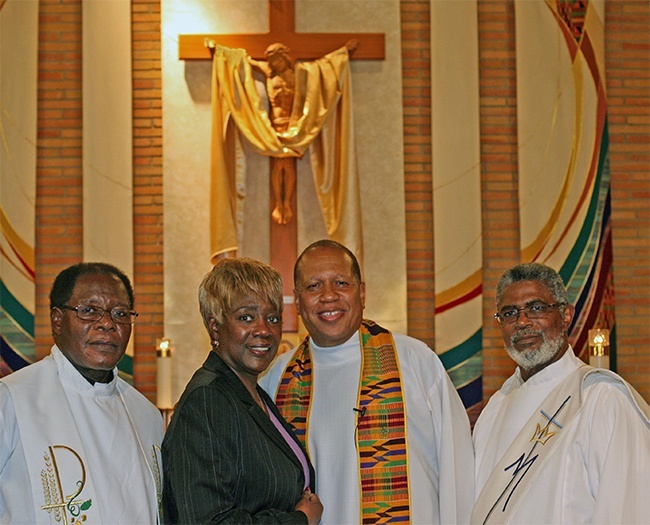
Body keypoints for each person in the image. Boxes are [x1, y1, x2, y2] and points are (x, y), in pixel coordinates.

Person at [259, 239, 475, 524]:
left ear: (361, 293)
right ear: (297, 302)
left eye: (341, 283)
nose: (328, 296)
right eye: (313, 286)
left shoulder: (414, 362)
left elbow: (457, 471)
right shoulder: (276, 379)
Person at [472, 262, 650, 524]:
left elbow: (629, 508)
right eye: (509, 313)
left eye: (536, 308)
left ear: (566, 315)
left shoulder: (601, 398)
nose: (522, 322)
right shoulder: (494, 410)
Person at [162, 258, 322, 524]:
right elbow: (207, 521)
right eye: (246, 317)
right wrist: (300, 520)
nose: (263, 330)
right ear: (215, 326)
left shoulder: (253, 395)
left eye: (272, 318)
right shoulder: (207, 401)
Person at [0, 262, 163, 524]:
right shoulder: (13, 399)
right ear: (57, 320)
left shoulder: (146, 416)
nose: (107, 324)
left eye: (120, 313)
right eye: (89, 311)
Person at [249, 40, 358, 226]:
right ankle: (279, 203)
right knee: (278, 166)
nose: (274, 64)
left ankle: (286, 204)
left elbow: (324, 68)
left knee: (287, 166)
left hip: (294, 131)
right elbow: (246, 62)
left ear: (284, 58)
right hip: (274, 128)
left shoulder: (299, 75)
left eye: (276, 60)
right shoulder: (268, 73)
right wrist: (219, 50)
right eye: (271, 61)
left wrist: (344, 52)